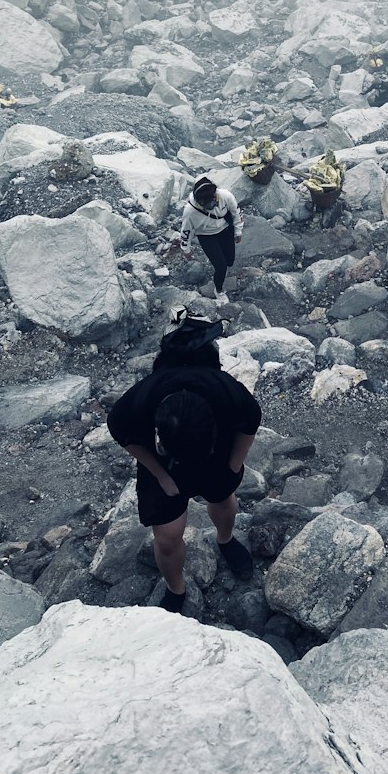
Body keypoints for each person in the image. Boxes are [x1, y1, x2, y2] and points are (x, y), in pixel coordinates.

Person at [107, 314, 261, 614]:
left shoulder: (225, 392)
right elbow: (122, 433)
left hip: (215, 455)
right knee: (166, 538)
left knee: (223, 499)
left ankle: (226, 540)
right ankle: (175, 589)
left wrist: (233, 464)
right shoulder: (141, 401)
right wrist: (159, 473)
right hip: (165, 463)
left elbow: (251, 421)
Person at [170, 176, 243, 308]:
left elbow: (236, 212)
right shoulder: (190, 211)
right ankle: (219, 290)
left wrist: (238, 231)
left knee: (229, 261)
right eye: (207, 202)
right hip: (206, 235)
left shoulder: (226, 196)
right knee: (220, 266)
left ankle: (222, 271)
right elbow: (186, 230)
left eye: (214, 198)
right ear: (200, 201)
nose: (212, 203)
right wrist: (186, 249)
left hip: (225, 229)